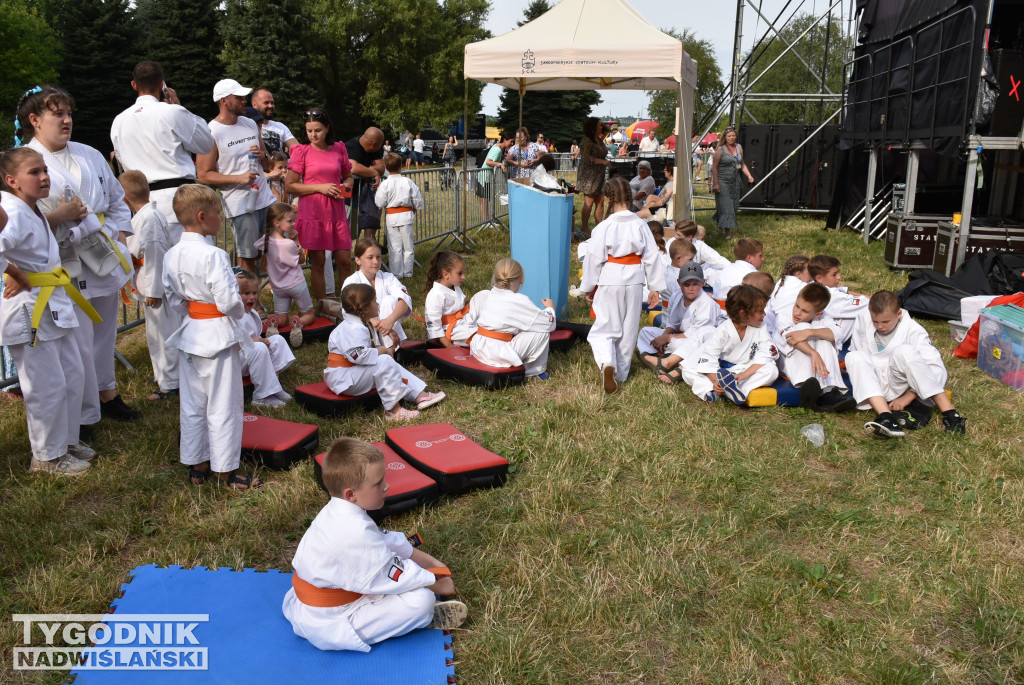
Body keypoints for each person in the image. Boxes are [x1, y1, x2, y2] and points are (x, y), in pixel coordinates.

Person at [22, 86, 141, 424]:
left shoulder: (88, 153)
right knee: (76, 342)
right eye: (57, 113)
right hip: (62, 261)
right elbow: (19, 217)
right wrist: (61, 217)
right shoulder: (25, 162)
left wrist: (119, 236)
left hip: (103, 251)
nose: (66, 119)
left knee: (104, 334)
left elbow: (117, 199)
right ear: (35, 120)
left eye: (68, 113)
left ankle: (108, 394)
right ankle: (84, 413)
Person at [281, 437, 467, 651]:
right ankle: (421, 619)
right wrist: (434, 582)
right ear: (351, 494)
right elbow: (395, 573)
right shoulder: (354, 532)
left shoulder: (340, 511)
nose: (387, 486)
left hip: (323, 597)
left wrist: (434, 563)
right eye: (378, 483)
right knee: (421, 601)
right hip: (330, 619)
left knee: (404, 582)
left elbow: (386, 541)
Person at [0, 147, 96, 475]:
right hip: (30, 308)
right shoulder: (11, 211)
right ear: (12, 181)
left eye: (44, 170)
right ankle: (46, 457)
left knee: (72, 373)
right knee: (46, 385)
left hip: (52, 298)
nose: (43, 177)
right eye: (34, 172)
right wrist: (14, 273)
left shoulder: (32, 208)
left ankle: (66, 441)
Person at [162, 184, 259, 489]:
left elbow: (173, 298)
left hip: (191, 331)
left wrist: (195, 309)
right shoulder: (213, 255)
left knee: (192, 402)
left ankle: (197, 463)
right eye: (218, 212)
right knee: (224, 404)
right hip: (216, 335)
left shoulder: (172, 254)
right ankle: (225, 470)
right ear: (203, 217)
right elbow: (230, 302)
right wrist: (237, 314)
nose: (221, 217)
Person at [581, 177, 666, 393]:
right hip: (636, 280)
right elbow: (652, 256)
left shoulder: (604, 227)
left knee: (605, 327)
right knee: (628, 330)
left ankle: (606, 362)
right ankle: (621, 373)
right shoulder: (640, 224)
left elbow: (593, 260)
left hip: (611, 278)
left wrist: (587, 288)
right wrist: (654, 287)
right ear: (629, 196)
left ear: (608, 198)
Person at [110, 61, 215, 231]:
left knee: (153, 258)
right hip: (180, 201)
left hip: (143, 204)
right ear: (161, 84)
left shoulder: (119, 121)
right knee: (191, 255)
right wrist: (178, 106)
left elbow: (121, 160)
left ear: (134, 85)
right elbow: (206, 143)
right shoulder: (172, 112)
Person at [846, 290, 967, 437]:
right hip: (874, 385)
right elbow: (859, 358)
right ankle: (886, 417)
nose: (880, 326)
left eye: (885, 322)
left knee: (904, 351)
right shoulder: (863, 319)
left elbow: (936, 369)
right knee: (854, 356)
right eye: (875, 321)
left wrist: (910, 395)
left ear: (899, 314)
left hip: (901, 385)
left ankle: (951, 415)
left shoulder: (913, 330)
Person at [325, 284, 445, 420]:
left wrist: (385, 350)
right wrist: (381, 350)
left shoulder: (358, 324)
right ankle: (394, 411)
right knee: (384, 362)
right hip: (344, 379)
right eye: (375, 301)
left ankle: (419, 395)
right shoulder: (352, 328)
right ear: (365, 308)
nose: (377, 304)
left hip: (352, 374)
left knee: (388, 363)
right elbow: (358, 355)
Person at [197, 78, 275, 277]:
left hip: (265, 199)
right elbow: (203, 175)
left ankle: (269, 298)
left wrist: (262, 156)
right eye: (239, 97)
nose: (244, 101)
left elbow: (268, 164)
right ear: (224, 100)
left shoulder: (250, 123)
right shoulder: (211, 131)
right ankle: (250, 304)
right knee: (247, 257)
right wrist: (238, 178)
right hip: (240, 204)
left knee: (274, 251)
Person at [120, 170, 183, 401]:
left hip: (157, 289)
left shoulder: (150, 218)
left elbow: (155, 254)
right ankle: (162, 376)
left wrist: (155, 290)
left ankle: (171, 382)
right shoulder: (147, 216)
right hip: (150, 285)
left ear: (124, 199)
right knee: (155, 335)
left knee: (163, 334)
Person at [285, 108, 354, 305]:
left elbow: (348, 176)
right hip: (313, 212)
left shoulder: (339, 148)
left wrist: (346, 186)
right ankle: (324, 305)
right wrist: (320, 187)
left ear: (327, 128)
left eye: (318, 130)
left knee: (345, 261)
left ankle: (349, 304)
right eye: (309, 131)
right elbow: (290, 185)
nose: (313, 135)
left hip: (336, 212)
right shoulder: (301, 151)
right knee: (318, 262)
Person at [682, 284, 780, 404]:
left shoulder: (761, 326)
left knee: (771, 370)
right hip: (720, 371)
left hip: (743, 370)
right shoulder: (724, 329)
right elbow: (709, 358)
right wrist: (716, 381)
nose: (764, 314)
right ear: (743, 314)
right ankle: (712, 390)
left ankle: (738, 392)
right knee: (688, 370)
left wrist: (743, 375)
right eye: (760, 311)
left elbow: (766, 354)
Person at [462, 258, 556, 380]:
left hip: (479, 349)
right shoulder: (519, 300)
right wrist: (550, 309)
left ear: (496, 278)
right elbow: (547, 324)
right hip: (497, 354)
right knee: (541, 332)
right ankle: (534, 372)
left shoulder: (486, 294)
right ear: (521, 279)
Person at [637, 261, 725, 385]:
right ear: (679, 283)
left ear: (703, 283)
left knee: (675, 346)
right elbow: (672, 322)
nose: (691, 288)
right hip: (678, 335)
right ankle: (660, 355)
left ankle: (662, 359)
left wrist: (667, 338)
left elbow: (698, 334)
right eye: (686, 284)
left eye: (696, 284)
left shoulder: (706, 303)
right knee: (645, 331)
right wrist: (664, 336)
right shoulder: (676, 296)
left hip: (696, 341)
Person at [772, 282, 855, 412]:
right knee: (802, 326)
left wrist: (810, 332)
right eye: (797, 306)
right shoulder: (783, 315)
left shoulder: (824, 317)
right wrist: (813, 353)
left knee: (824, 339)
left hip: (817, 364)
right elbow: (792, 338)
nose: (797, 312)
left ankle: (828, 390)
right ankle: (813, 389)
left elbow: (838, 333)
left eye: (805, 311)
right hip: (791, 363)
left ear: (818, 314)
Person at [255, 202, 315, 346]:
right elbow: (301, 260)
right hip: (296, 284)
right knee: (309, 315)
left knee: (282, 319)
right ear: (277, 223)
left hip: (278, 288)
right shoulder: (289, 243)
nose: (293, 223)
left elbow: (258, 247)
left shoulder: (265, 241)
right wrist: (296, 240)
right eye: (290, 221)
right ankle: (299, 323)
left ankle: (274, 323)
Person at [235, 269, 294, 408]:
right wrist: (254, 342)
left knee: (278, 340)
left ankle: (274, 385)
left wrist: (262, 340)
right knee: (260, 348)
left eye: (254, 293)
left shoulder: (251, 313)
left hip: (252, 354)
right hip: (237, 359)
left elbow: (255, 336)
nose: (252, 297)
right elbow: (231, 344)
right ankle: (261, 396)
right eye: (246, 293)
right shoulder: (233, 316)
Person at [342, 237, 412, 344]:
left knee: (389, 300)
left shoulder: (388, 277)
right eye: (370, 257)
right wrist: (371, 320)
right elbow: (347, 311)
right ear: (358, 260)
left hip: (389, 327)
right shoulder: (351, 282)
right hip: (364, 333)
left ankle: (392, 348)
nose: (376, 261)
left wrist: (390, 320)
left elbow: (405, 300)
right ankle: (385, 350)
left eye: (378, 257)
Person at [374, 153, 423, 279]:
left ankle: (396, 274)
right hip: (406, 215)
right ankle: (408, 272)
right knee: (408, 246)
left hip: (391, 217)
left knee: (394, 247)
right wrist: (416, 207)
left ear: (385, 167)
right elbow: (417, 199)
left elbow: (379, 202)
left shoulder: (384, 184)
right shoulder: (408, 181)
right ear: (401, 166)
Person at [809, 254, 868, 347]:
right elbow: (868, 303)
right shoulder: (833, 296)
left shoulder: (812, 285)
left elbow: (844, 290)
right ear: (819, 278)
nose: (839, 277)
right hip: (829, 345)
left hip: (818, 336)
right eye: (834, 274)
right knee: (864, 312)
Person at [423, 251, 473, 348]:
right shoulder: (435, 295)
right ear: (446, 274)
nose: (463, 277)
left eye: (463, 273)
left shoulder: (455, 287)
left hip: (462, 324)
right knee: (478, 337)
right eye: (460, 273)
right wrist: (448, 345)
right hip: (450, 331)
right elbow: (433, 324)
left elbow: (458, 308)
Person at [712, 126, 754, 240]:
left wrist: (749, 175)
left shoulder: (739, 147)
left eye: (733, 136)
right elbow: (714, 167)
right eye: (729, 136)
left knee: (734, 206)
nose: (731, 138)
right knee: (728, 207)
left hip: (735, 180)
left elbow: (742, 163)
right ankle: (728, 234)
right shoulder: (720, 149)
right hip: (722, 180)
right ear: (725, 137)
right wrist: (716, 183)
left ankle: (718, 218)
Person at [345, 127, 386, 241]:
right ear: (374, 144)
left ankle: (369, 245)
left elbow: (381, 167)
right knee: (349, 231)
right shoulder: (352, 146)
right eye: (380, 144)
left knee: (371, 220)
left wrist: (366, 170)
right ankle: (336, 257)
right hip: (348, 194)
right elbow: (353, 168)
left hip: (366, 192)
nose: (381, 147)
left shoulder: (375, 148)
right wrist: (373, 172)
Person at [577, 117, 612, 238]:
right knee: (589, 202)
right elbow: (586, 158)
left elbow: (607, 131)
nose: (601, 127)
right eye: (599, 125)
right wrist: (603, 162)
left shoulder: (599, 139)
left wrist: (605, 129)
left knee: (601, 201)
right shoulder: (587, 140)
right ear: (592, 128)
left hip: (599, 175)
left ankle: (599, 228)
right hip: (589, 176)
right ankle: (584, 228)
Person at [477, 131, 513, 219]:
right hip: (485, 177)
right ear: (505, 140)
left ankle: (486, 221)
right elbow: (488, 162)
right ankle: (485, 222)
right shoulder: (497, 149)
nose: (512, 144)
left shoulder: (498, 148)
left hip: (486, 176)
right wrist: (500, 164)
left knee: (484, 200)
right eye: (511, 141)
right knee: (484, 200)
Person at [251, 88, 298, 155]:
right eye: (266, 103)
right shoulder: (248, 126)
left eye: (272, 103)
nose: (270, 106)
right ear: (254, 104)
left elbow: (297, 149)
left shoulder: (280, 126)